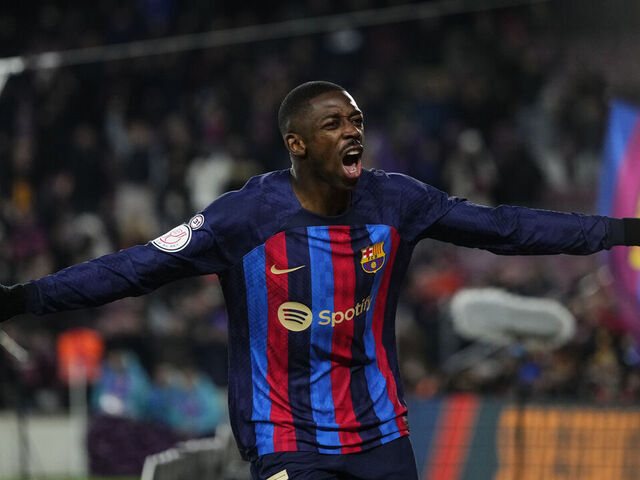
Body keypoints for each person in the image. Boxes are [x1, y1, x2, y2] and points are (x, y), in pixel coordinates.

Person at [1, 80, 640, 480]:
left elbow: (505, 228)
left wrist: (619, 231)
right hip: (288, 440)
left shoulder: (398, 203)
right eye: (334, 123)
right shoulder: (244, 218)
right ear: (297, 144)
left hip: (381, 435)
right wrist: (24, 298)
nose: (352, 131)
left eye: (356, 121)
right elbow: (131, 268)